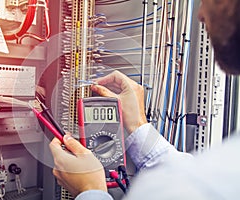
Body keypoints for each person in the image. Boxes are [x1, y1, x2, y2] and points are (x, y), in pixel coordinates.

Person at [49, 0, 240, 199]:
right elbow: (186, 174)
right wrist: (139, 127)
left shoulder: (193, 186)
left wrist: (89, 191)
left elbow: (190, 182)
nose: (200, 14)